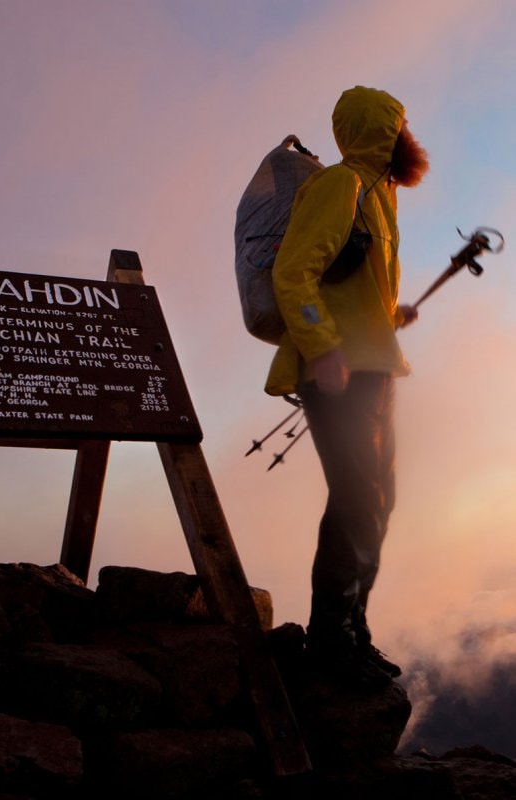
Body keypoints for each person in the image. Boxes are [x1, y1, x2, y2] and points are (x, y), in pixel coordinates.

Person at [265, 86, 429, 687]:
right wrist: (324, 346)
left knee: (376, 503)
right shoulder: (340, 185)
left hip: (376, 369)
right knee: (358, 500)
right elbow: (294, 272)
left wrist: (389, 315)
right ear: (379, 130)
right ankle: (331, 644)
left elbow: (347, 282)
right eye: (400, 125)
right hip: (338, 374)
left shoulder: (381, 196)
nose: (408, 136)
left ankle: (353, 633)